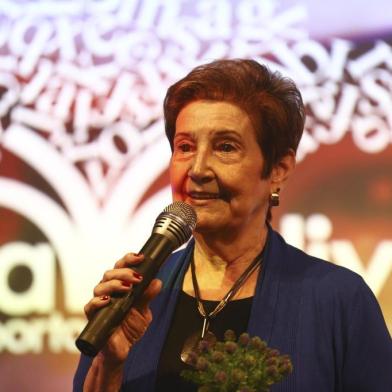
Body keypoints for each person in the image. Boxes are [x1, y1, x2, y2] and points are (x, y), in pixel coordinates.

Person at [73, 59, 392, 391]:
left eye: (225, 147)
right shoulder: (135, 298)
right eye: (184, 147)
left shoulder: (338, 300)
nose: (197, 168)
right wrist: (109, 365)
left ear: (279, 169)